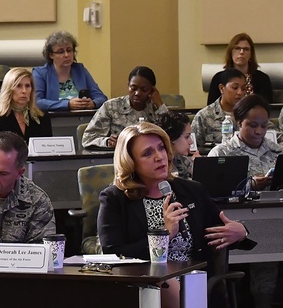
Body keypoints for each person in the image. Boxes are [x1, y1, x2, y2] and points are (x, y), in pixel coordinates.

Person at [97, 122, 255, 308]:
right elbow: (113, 253)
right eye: (147, 153)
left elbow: (219, 230)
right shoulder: (115, 198)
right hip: (143, 281)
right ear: (130, 161)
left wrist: (241, 231)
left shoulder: (191, 190)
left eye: (161, 148)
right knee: (167, 284)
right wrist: (164, 235)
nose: (159, 157)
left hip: (194, 278)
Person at [82, 66, 168, 149]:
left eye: (144, 89)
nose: (137, 93)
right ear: (128, 85)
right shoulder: (111, 107)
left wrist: (160, 104)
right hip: (119, 159)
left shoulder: (156, 107)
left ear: (152, 90)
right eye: (133, 88)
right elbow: (87, 138)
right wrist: (107, 141)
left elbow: (173, 136)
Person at [208, 95, 278, 190]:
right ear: (239, 123)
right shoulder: (221, 153)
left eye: (264, 126)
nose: (259, 131)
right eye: (253, 125)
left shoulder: (277, 151)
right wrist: (248, 186)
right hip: (238, 205)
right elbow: (210, 189)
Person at [32, 30, 107, 111]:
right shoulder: (40, 73)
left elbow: (102, 98)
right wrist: (67, 104)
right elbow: (37, 102)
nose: (66, 55)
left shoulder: (80, 70)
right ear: (51, 55)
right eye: (61, 52)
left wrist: (93, 103)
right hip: (54, 121)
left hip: (82, 120)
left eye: (69, 50)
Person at [192, 68, 254, 153]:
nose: (240, 92)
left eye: (243, 89)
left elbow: (275, 136)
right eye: (235, 88)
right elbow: (192, 147)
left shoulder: (251, 114)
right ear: (222, 88)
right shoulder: (204, 116)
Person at [0, 67, 52, 141]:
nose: (24, 91)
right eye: (18, 86)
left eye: (27, 86)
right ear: (9, 89)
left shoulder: (42, 117)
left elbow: (48, 149)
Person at [206, 33, 273, 105]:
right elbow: (211, 108)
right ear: (230, 53)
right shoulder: (218, 78)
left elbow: (268, 108)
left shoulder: (263, 79)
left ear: (251, 54)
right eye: (237, 48)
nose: (241, 52)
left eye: (246, 49)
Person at [155, 111, 195, 180]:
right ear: (172, 138)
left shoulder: (183, 161)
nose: (191, 142)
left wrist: (198, 167)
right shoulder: (159, 165)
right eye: (187, 137)